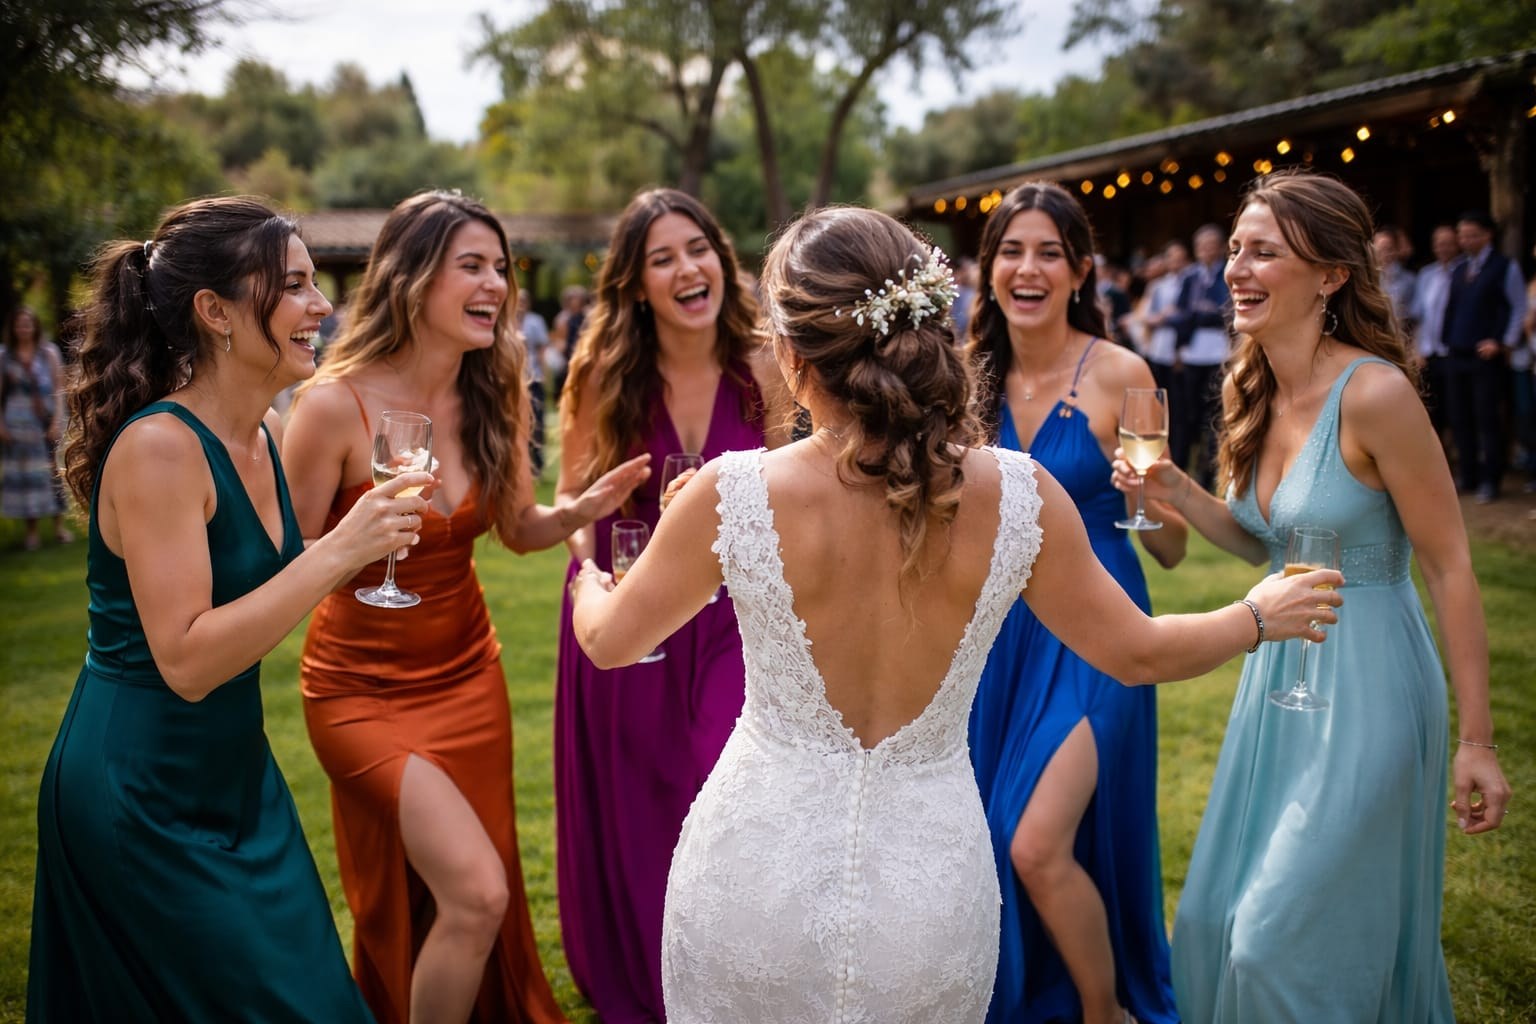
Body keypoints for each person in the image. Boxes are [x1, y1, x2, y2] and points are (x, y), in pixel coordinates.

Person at [565, 205, 1337, 1022]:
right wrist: (1256, 612)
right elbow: (1139, 652)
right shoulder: (1019, 494)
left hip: (752, 874)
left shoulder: (732, 493)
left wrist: (589, 581)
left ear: (790, 354)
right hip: (928, 889)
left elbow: (612, 646)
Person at [1112, 169, 1511, 1021]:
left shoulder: (1376, 394)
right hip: (1278, 680)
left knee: (1274, 942)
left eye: (1264, 253)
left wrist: (1478, 741)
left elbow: (1450, 566)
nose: (1237, 270)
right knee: (1220, 921)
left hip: (1368, 681)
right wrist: (1177, 490)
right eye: (1234, 251)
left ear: (1331, 274)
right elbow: (1265, 542)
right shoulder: (1253, 384)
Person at [28, 196, 431, 1021]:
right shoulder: (160, 449)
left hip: (237, 777)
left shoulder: (268, 431)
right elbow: (187, 659)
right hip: (138, 791)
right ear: (214, 311)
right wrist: (338, 553)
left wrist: (369, 559)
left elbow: (269, 591)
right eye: (293, 286)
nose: (322, 306)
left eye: (317, 284)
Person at [281, 190, 648, 1024]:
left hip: (468, 681)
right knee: (476, 894)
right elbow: (279, 564)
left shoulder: (496, 392)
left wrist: (584, 509)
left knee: (473, 895)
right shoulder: (334, 404)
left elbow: (518, 529)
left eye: (502, 269)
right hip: (358, 691)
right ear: (412, 280)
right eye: (472, 267)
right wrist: (354, 549)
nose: (496, 285)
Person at [553, 187, 792, 1022]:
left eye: (698, 248)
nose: (687, 267)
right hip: (632, 611)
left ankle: (726, 972)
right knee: (644, 791)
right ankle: (653, 976)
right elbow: (572, 506)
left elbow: (795, 487)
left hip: (733, 616)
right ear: (638, 284)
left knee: (716, 781)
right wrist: (598, 572)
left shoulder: (767, 365)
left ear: (721, 262)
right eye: (663, 258)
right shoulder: (605, 376)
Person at [964, 181, 1187, 1024]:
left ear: (1081, 270)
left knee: (1035, 842)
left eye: (1049, 252)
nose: (1029, 268)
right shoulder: (965, 377)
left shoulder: (1122, 374)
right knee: (991, 839)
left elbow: (1168, 548)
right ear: (988, 272)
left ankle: (1107, 1011)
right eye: (1011, 251)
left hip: (1100, 629)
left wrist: (1154, 494)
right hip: (1001, 635)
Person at [1442, 210, 1526, 503]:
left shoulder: (1504, 267)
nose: (1465, 240)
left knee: (1487, 418)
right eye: (1461, 234)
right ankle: (1468, 475)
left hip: (1486, 355)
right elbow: (1451, 309)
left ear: (1487, 235)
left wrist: (1503, 342)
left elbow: (1517, 307)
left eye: (1471, 234)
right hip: (1457, 351)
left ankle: (1491, 479)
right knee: (1459, 416)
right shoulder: (1458, 268)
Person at [2, 306, 71, 549]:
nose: (23, 328)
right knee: (26, 476)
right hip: (19, 423)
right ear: (13, 328)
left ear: (35, 327)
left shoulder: (48, 353)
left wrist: (56, 422)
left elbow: (58, 389)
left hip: (47, 420)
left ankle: (59, 526)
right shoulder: (5, 356)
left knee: (53, 473)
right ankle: (31, 532)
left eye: (27, 323)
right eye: (19, 324)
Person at [1171, 224, 1232, 486]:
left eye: (1211, 245)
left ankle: (1208, 473)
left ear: (1219, 247)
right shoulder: (1190, 277)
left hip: (1218, 351)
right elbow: (1180, 313)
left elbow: (1226, 309)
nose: (1206, 250)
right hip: (1192, 351)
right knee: (1187, 413)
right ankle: (1181, 468)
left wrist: (1203, 312)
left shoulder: (1226, 273)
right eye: (1201, 246)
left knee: (1213, 415)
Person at [1410, 224, 1460, 439]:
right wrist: (1417, 348)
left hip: (1454, 351)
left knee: (1456, 409)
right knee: (1431, 410)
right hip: (1429, 353)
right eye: (1439, 244)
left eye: (1448, 243)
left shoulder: (1464, 272)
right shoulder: (1426, 274)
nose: (1444, 248)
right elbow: (1419, 316)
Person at [517, 289, 552, 475]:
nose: (520, 303)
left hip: (534, 377)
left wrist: (544, 374)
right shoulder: (503, 320)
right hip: (512, 379)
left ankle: (537, 463)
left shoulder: (535, 321)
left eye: (524, 300)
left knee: (537, 419)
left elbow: (542, 349)